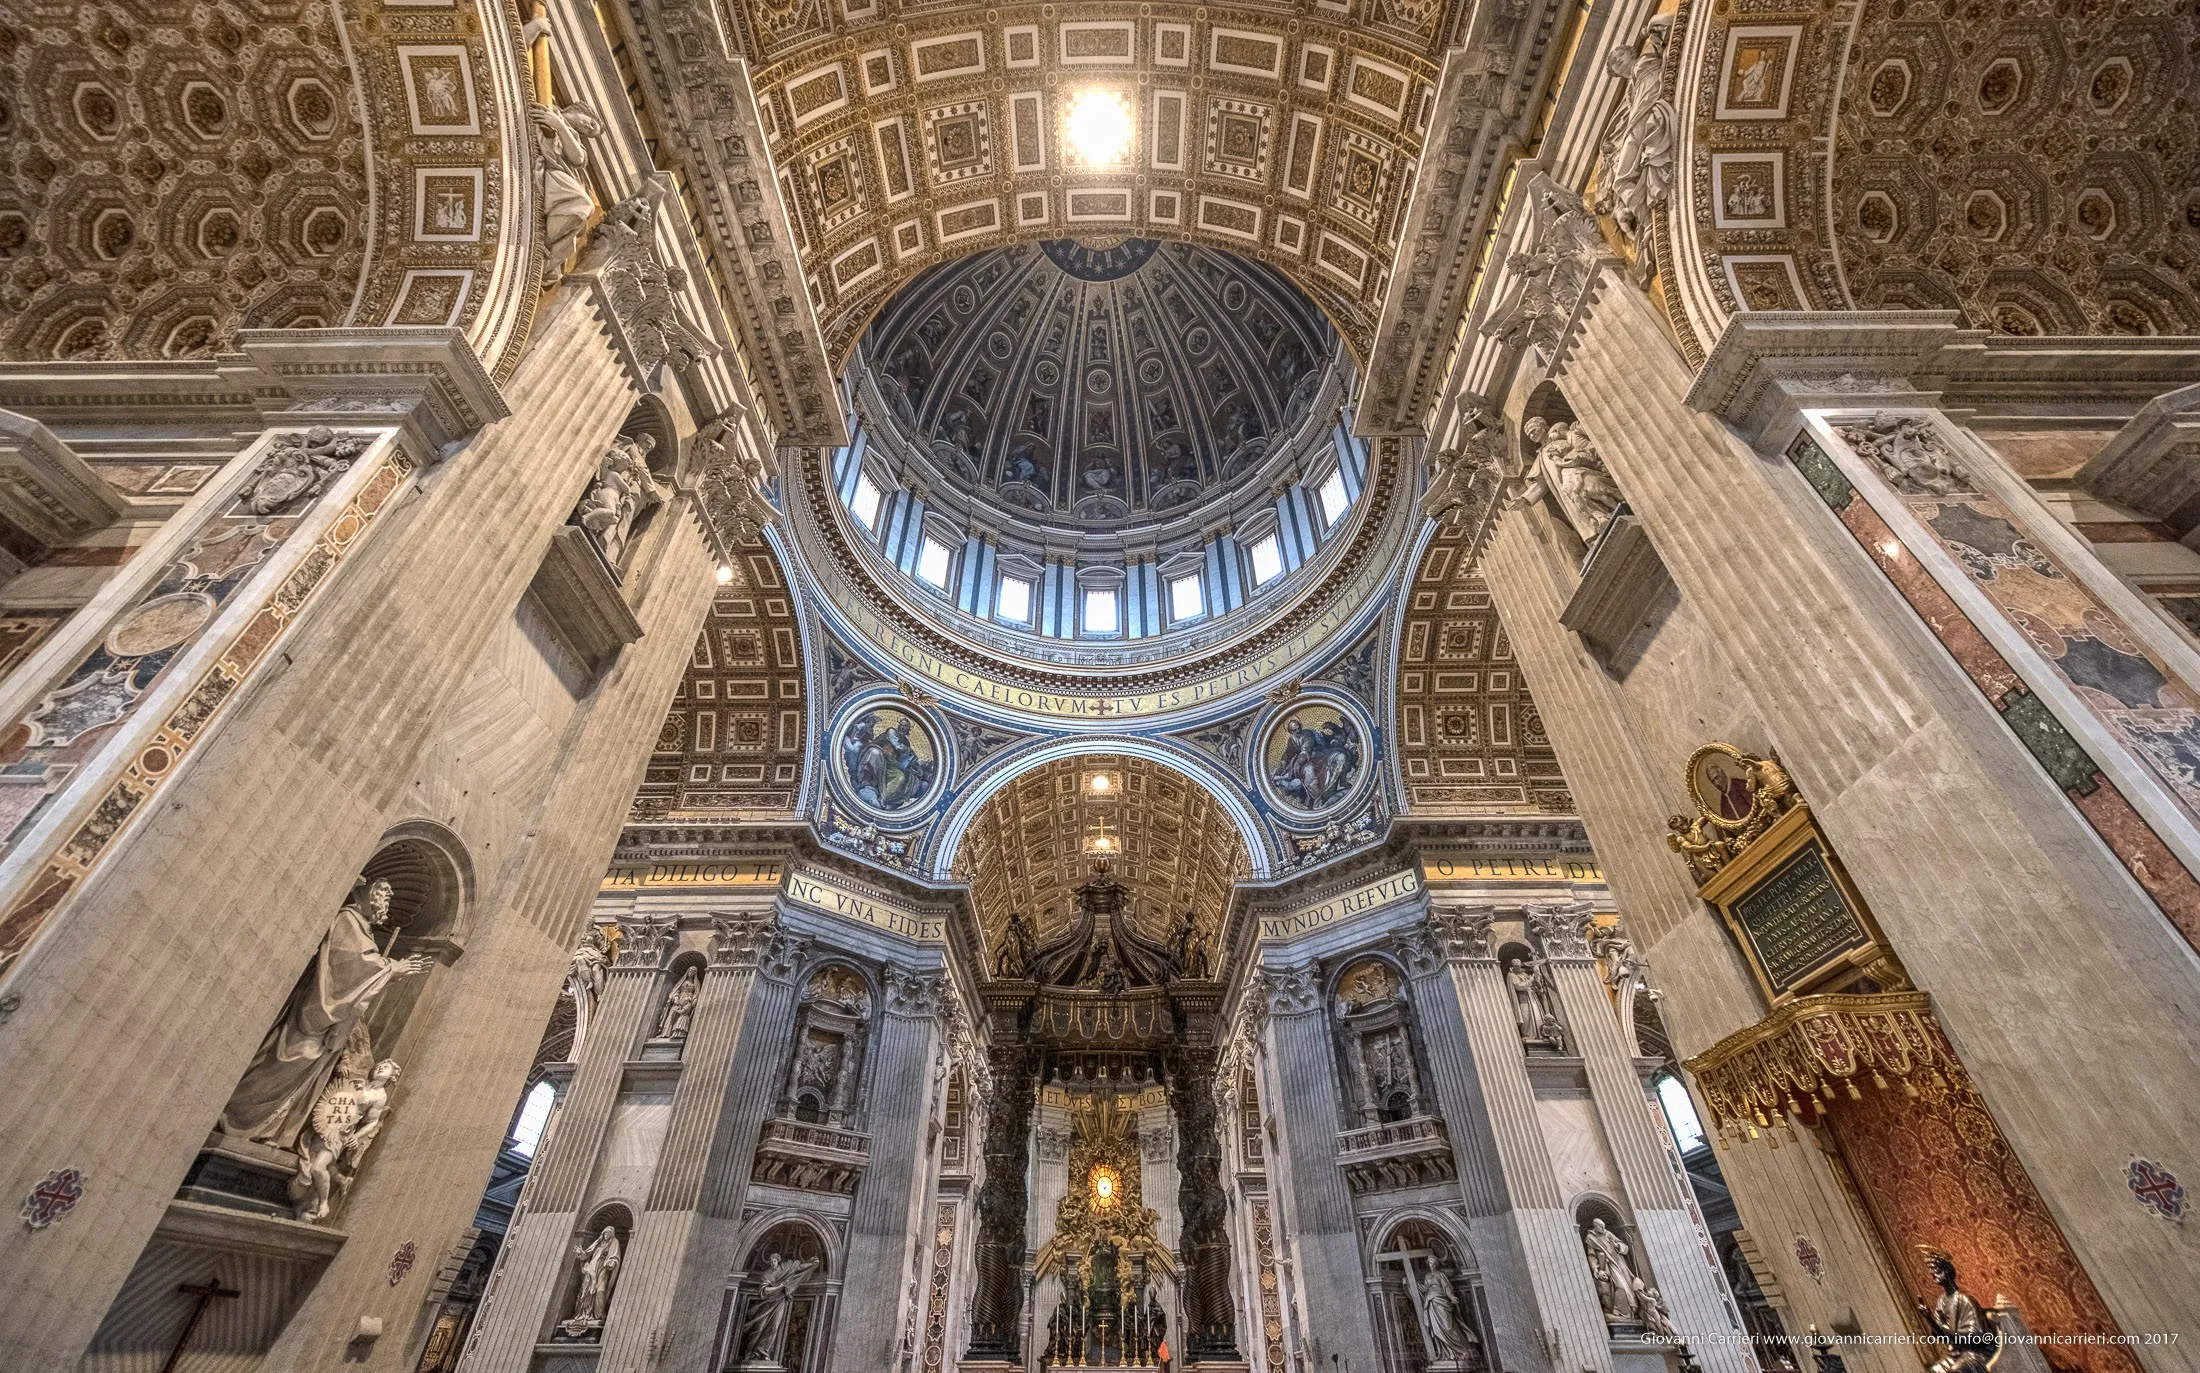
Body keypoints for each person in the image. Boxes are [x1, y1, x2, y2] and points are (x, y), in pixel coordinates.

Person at [221, 879, 432, 1149]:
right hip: (317, 1010)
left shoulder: (363, 928)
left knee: (308, 1067)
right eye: (384, 896)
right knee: (293, 1058)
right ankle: (239, 1117)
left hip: (335, 1021)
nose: (387, 903)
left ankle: (272, 1130)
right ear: (369, 895)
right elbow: (349, 964)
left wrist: (388, 970)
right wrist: (391, 968)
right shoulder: (348, 920)